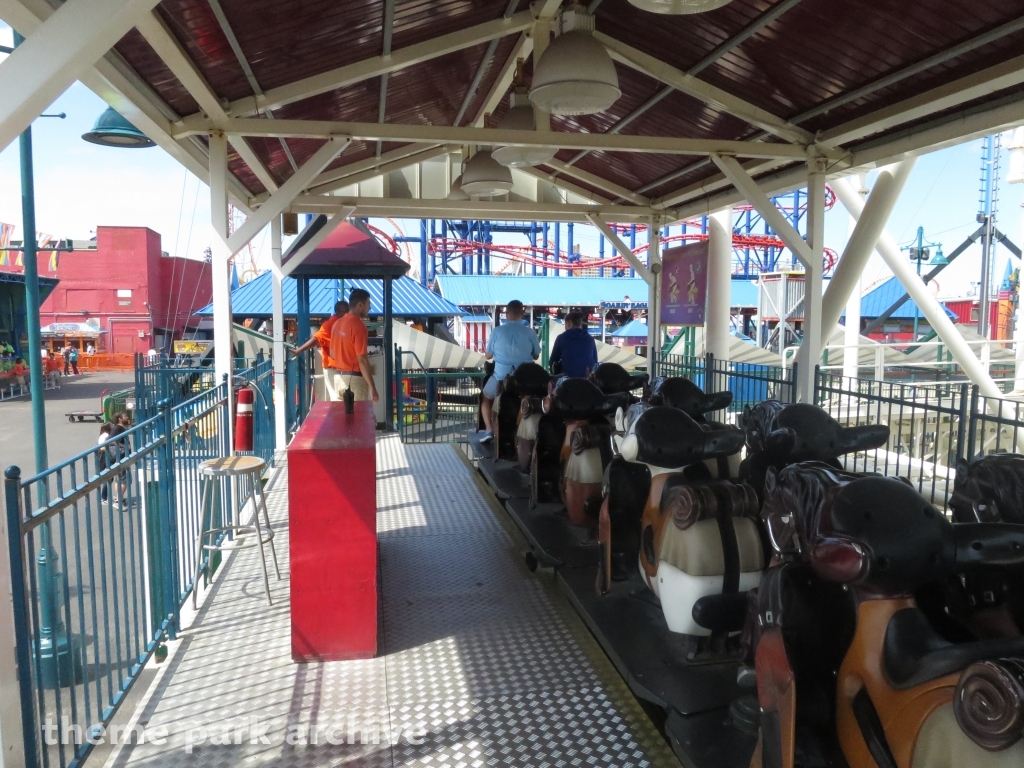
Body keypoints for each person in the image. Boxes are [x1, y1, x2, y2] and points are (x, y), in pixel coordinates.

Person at [480, 300, 541, 443]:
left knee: (485, 398)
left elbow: (488, 355)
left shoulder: (497, 331)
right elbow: (536, 355)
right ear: (522, 313)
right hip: (524, 380)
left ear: (506, 314)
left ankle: (488, 430)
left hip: (501, 377)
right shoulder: (530, 332)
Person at [292, 300, 349, 400]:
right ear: (340, 313)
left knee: (342, 399)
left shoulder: (342, 323)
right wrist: (298, 351)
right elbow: (317, 339)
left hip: (342, 368)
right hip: (333, 368)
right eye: (347, 312)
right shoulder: (330, 324)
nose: (348, 314)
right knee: (337, 399)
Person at [328, 289, 379, 403]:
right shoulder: (358, 326)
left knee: (341, 418)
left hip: (338, 378)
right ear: (360, 305)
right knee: (358, 418)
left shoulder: (337, 323)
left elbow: (332, 354)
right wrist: (372, 387)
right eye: (368, 304)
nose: (369, 308)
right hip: (354, 379)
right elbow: (362, 360)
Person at [550, 311, 598, 379]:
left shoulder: (562, 338)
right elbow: (595, 360)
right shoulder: (590, 339)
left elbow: (553, 362)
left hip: (568, 380)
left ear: (569, 323)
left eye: (565, 324)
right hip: (588, 380)